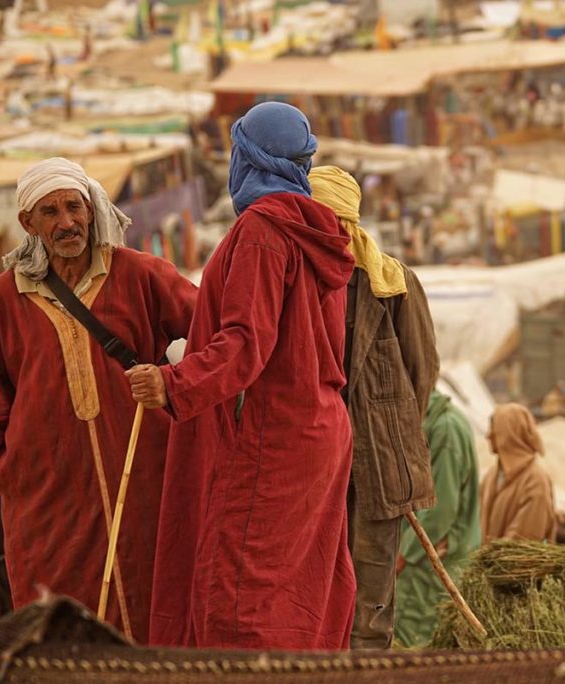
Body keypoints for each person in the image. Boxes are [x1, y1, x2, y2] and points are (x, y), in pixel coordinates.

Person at [131, 103, 356, 651]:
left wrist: (174, 383)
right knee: (302, 587)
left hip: (274, 435)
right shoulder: (319, 231)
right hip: (320, 429)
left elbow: (245, 343)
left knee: (240, 595)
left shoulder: (263, 230)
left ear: (249, 158)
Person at [0, 157, 197, 642]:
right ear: (28, 223)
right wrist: (7, 465)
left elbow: (216, 331)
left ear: (91, 210)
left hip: (141, 471)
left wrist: (175, 381)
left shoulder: (140, 274)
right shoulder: (7, 295)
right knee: (56, 609)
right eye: (50, 212)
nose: (66, 222)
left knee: (154, 589)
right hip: (49, 489)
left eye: (74, 207)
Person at [307, 165, 439, 650]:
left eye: (335, 221)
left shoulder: (393, 283)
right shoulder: (299, 281)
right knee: (317, 591)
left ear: (351, 224)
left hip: (379, 465)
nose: (328, 233)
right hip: (317, 463)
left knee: (372, 600)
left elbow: (421, 371)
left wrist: (391, 429)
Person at [394, 390, 480, 648]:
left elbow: (439, 509)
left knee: (415, 641)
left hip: (430, 563)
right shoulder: (440, 421)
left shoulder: (445, 429)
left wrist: (405, 555)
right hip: (428, 562)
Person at [480, 403, 557, 544]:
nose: (488, 435)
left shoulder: (535, 480)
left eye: (494, 428)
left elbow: (524, 540)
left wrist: (491, 558)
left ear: (510, 432)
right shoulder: (491, 476)